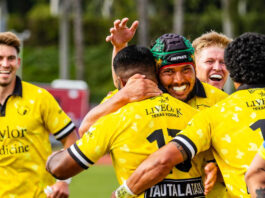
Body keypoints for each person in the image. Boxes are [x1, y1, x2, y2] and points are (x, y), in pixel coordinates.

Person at [46, 45, 218, 198]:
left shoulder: (115, 119)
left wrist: (52, 159)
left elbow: (61, 168)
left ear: (122, 82)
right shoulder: (197, 115)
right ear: (156, 76)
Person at [111, 32, 265, 198]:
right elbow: (121, 83)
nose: (178, 80)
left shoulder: (218, 107)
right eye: (210, 61)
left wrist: (121, 195)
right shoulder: (138, 95)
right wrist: (120, 49)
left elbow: (163, 161)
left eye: (223, 62)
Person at [0, 32, 78, 198]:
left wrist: (64, 181)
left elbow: (71, 139)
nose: (5, 64)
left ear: (18, 62)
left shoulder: (40, 97)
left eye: (11, 58)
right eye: (0, 58)